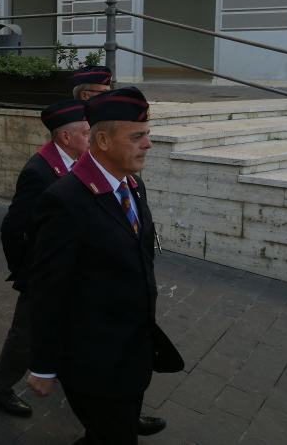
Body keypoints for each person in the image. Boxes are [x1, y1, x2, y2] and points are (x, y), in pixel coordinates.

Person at [27, 87, 182, 445]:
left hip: (132, 350)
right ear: (102, 140)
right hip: (93, 360)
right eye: (137, 136)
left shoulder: (133, 185)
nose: (148, 145)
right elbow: (48, 290)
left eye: (148, 135)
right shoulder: (65, 200)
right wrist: (44, 364)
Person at [0, 100, 90, 418]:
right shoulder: (39, 173)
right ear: (65, 138)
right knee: (26, 337)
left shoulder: (80, 161)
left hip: (74, 270)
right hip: (45, 274)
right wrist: (26, 272)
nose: (92, 137)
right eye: (86, 132)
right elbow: (12, 230)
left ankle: (100, 401)